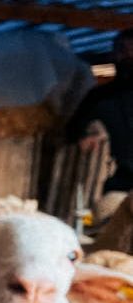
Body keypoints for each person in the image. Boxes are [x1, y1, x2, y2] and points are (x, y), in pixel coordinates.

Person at [68, 28, 133, 221]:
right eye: (122, 50)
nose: (128, 55)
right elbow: (72, 129)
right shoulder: (99, 97)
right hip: (118, 183)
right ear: (113, 54)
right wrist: (84, 135)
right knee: (104, 228)